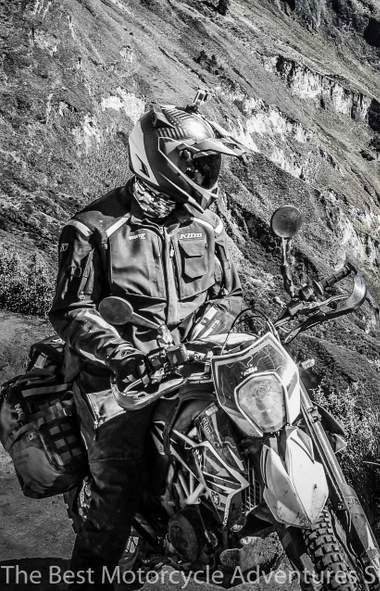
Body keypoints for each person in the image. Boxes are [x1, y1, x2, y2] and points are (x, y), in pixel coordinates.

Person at [49, 96, 249, 589]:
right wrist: (120, 354)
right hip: (119, 381)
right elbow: (71, 311)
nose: (208, 173)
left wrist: (210, 329)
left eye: (210, 163)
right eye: (199, 163)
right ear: (164, 162)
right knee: (116, 488)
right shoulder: (92, 229)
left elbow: (232, 292)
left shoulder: (206, 223)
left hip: (194, 363)